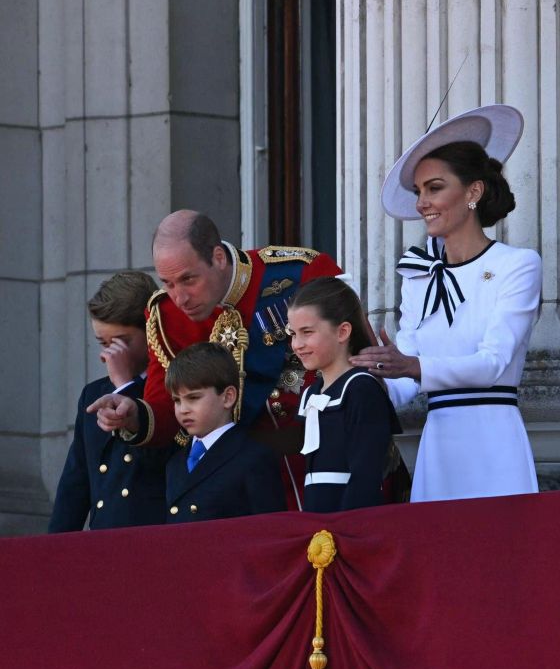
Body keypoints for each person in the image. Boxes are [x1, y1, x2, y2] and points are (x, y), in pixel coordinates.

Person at [350, 104, 542, 502]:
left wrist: (412, 365)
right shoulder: (418, 274)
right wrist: (363, 364)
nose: (422, 202)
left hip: (494, 442)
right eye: (419, 191)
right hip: (438, 444)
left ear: (473, 191)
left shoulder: (518, 265)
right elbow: (404, 385)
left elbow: (495, 363)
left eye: (434, 188)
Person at [87, 211, 341, 509]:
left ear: (218, 257)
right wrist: (135, 415)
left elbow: (354, 366)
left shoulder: (301, 273)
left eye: (188, 279)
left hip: (323, 468)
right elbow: (166, 408)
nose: (179, 297)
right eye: (167, 283)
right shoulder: (166, 317)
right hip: (237, 491)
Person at [48, 272, 174, 532]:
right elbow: (76, 481)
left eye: (122, 342)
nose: (110, 353)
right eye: (104, 343)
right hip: (104, 540)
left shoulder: (174, 388)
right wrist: (53, 549)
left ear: (150, 331)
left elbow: (155, 454)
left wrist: (125, 387)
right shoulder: (93, 394)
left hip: (151, 538)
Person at [286, 277, 401, 512]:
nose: (297, 344)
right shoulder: (312, 393)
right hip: (318, 526)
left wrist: (343, 531)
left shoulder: (361, 389)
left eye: (307, 332)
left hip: (349, 526)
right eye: (293, 334)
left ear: (342, 331)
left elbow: (366, 476)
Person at [163, 342, 286, 522]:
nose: (183, 409)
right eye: (177, 400)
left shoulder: (253, 457)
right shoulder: (175, 463)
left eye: (193, 398)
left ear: (228, 397)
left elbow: (268, 531)